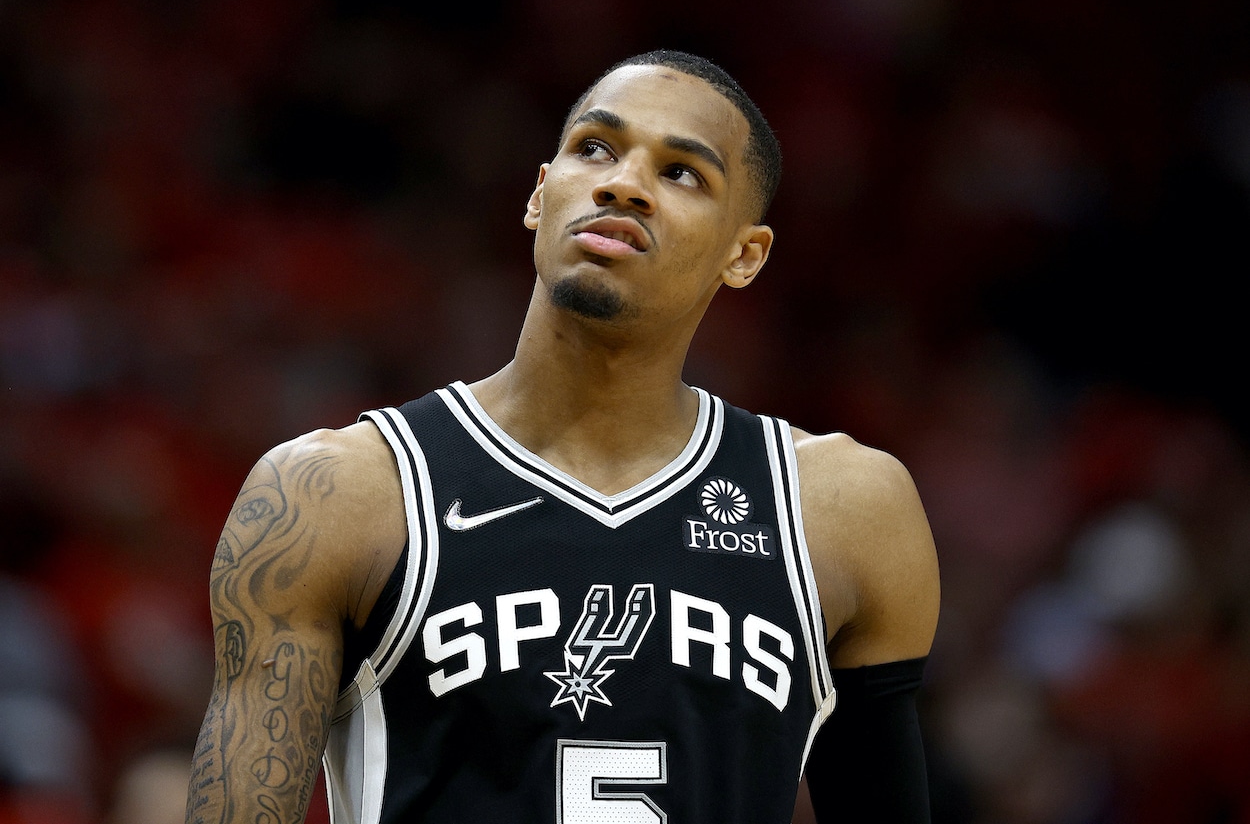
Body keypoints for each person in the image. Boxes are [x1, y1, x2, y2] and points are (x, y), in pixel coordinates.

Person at [184, 49, 940, 824]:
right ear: (540, 195)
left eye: (682, 172)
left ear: (744, 256)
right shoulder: (339, 494)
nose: (622, 183)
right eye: (595, 149)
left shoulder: (843, 511)